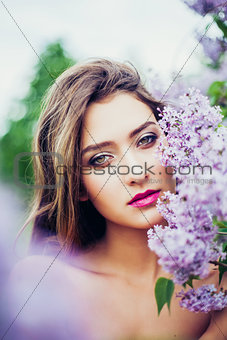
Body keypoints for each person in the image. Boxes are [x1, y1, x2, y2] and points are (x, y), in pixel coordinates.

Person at [8, 59, 226, 340]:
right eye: (100, 160)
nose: (136, 172)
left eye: (146, 139)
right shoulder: (46, 283)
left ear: (177, 139)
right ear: (77, 185)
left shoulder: (219, 274)